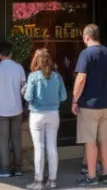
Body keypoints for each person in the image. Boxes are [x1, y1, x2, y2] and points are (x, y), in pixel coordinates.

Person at [72, 24, 107, 186]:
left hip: (89, 105)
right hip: (106, 104)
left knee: (90, 141)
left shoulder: (85, 54)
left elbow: (81, 79)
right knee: (105, 140)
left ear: (86, 37)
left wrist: (74, 100)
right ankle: (105, 174)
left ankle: (91, 176)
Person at [25, 48, 67, 190]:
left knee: (39, 148)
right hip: (53, 114)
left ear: (35, 61)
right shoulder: (57, 76)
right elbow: (64, 97)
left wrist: (23, 91)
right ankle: (52, 180)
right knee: (52, 147)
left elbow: (29, 97)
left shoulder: (33, 76)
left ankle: (38, 182)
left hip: (37, 114)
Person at [0, 41, 28, 178]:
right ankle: (18, 168)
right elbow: (24, 86)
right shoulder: (19, 68)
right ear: (11, 54)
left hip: (0, 109)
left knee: (3, 140)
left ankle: (5, 169)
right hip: (17, 108)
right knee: (16, 139)